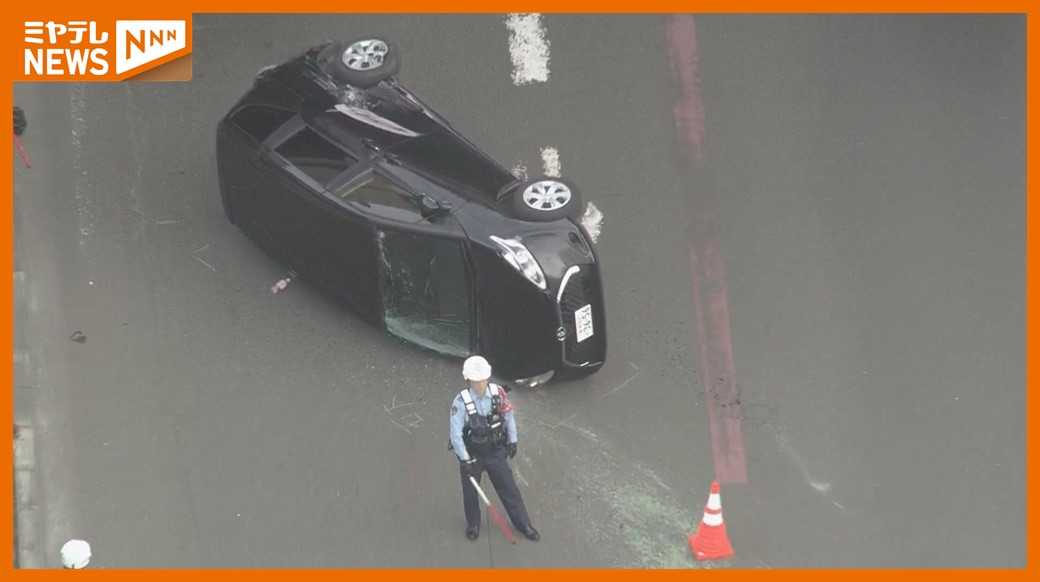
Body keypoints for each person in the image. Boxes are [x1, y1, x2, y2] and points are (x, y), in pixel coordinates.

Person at [449, 355, 539, 542]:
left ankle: (524, 524)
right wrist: (464, 459)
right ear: (468, 380)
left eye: (482, 379)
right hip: (472, 453)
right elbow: (455, 434)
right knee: (470, 492)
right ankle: (473, 524)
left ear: (487, 378)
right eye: (476, 380)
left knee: (509, 489)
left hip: (495, 450)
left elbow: (508, 417)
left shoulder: (498, 394)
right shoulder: (460, 402)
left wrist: (513, 440)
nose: (480, 384)